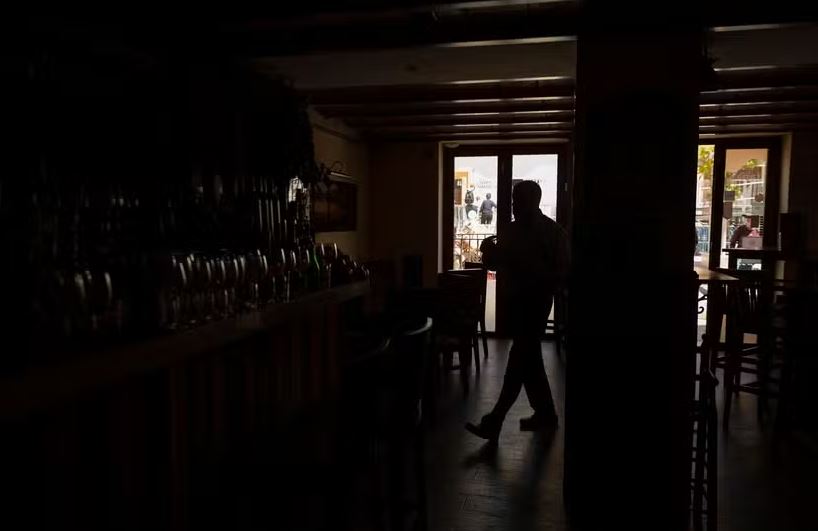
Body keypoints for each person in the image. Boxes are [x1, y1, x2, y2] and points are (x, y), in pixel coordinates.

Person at [466, 180, 569, 442]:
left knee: (519, 360)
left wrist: (497, 257)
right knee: (529, 359)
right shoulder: (550, 232)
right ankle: (546, 413)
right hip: (525, 304)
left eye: (517, 200)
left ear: (531, 201)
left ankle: (495, 419)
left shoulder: (545, 233)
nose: (513, 205)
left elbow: (562, 272)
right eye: (513, 200)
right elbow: (498, 265)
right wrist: (489, 255)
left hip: (533, 304)